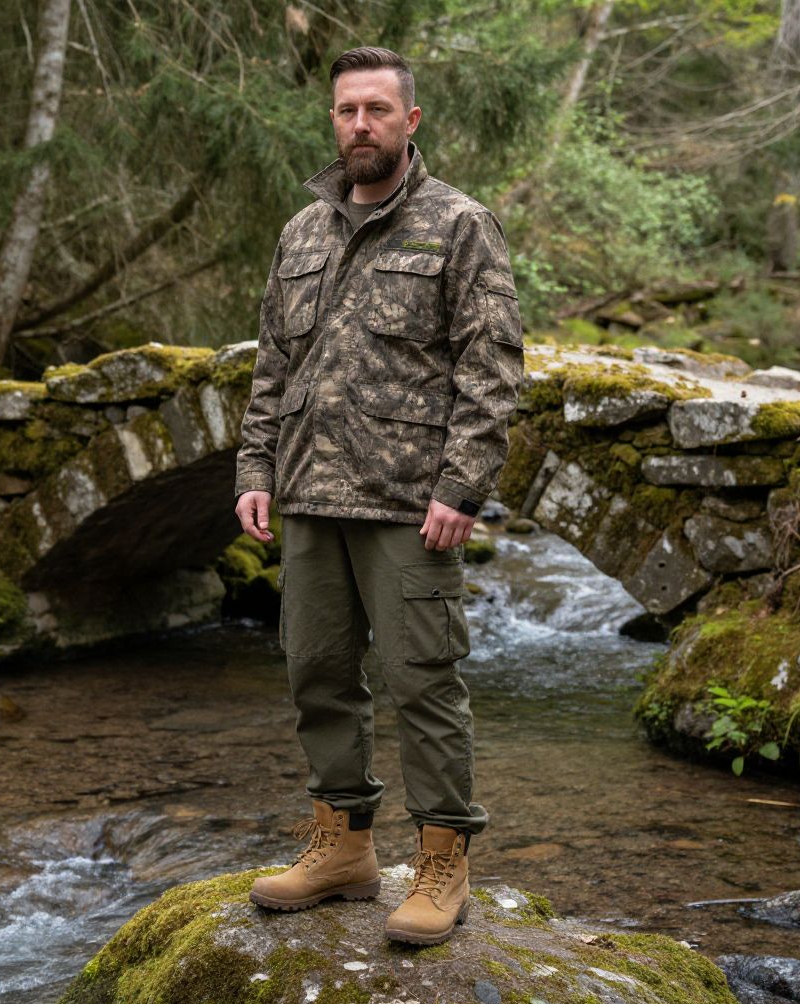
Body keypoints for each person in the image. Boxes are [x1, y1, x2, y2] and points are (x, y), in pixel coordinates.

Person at [233, 45, 523, 945]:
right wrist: (254, 469)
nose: (361, 124)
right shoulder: (302, 231)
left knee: (421, 682)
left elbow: (494, 366)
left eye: (378, 110)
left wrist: (462, 485)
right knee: (317, 674)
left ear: (410, 121)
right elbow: (275, 364)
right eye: (347, 110)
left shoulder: (459, 224)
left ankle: (443, 861)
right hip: (311, 495)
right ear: (334, 120)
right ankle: (343, 846)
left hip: (410, 504)